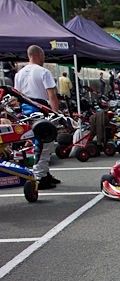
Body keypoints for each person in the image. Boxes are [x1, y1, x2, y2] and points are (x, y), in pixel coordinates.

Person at [14, 45, 60, 189]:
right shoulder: (43, 72)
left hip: (26, 112)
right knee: (45, 145)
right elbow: (51, 94)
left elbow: (17, 96)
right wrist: (56, 114)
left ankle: (44, 173)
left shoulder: (19, 74)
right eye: (44, 56)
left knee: (39, 144)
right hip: (41, 110)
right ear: (39, 55)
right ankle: (40, 177)